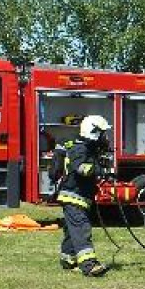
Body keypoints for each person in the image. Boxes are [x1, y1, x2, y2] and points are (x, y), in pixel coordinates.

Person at [58, 114, 111, 277]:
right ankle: (89, 265)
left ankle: (68, 259)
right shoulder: (80, 148)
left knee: (71, 229)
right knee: (81, 228)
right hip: (74, 196)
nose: (105, 138)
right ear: (94, 132)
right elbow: (81, 168)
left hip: (76, 195)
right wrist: (100, 170)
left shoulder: (85, 148)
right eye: (102, 134)